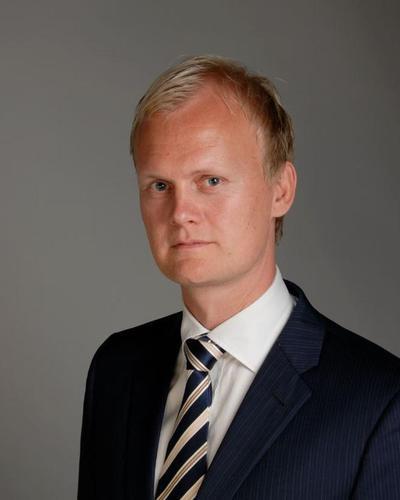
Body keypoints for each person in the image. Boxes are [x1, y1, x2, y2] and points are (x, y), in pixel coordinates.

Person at [78, 55, 400, 500]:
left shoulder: (380, 403)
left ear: (281, 189)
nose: (181, 213)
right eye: (160, 185)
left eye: (210, 180)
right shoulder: (117, 369)